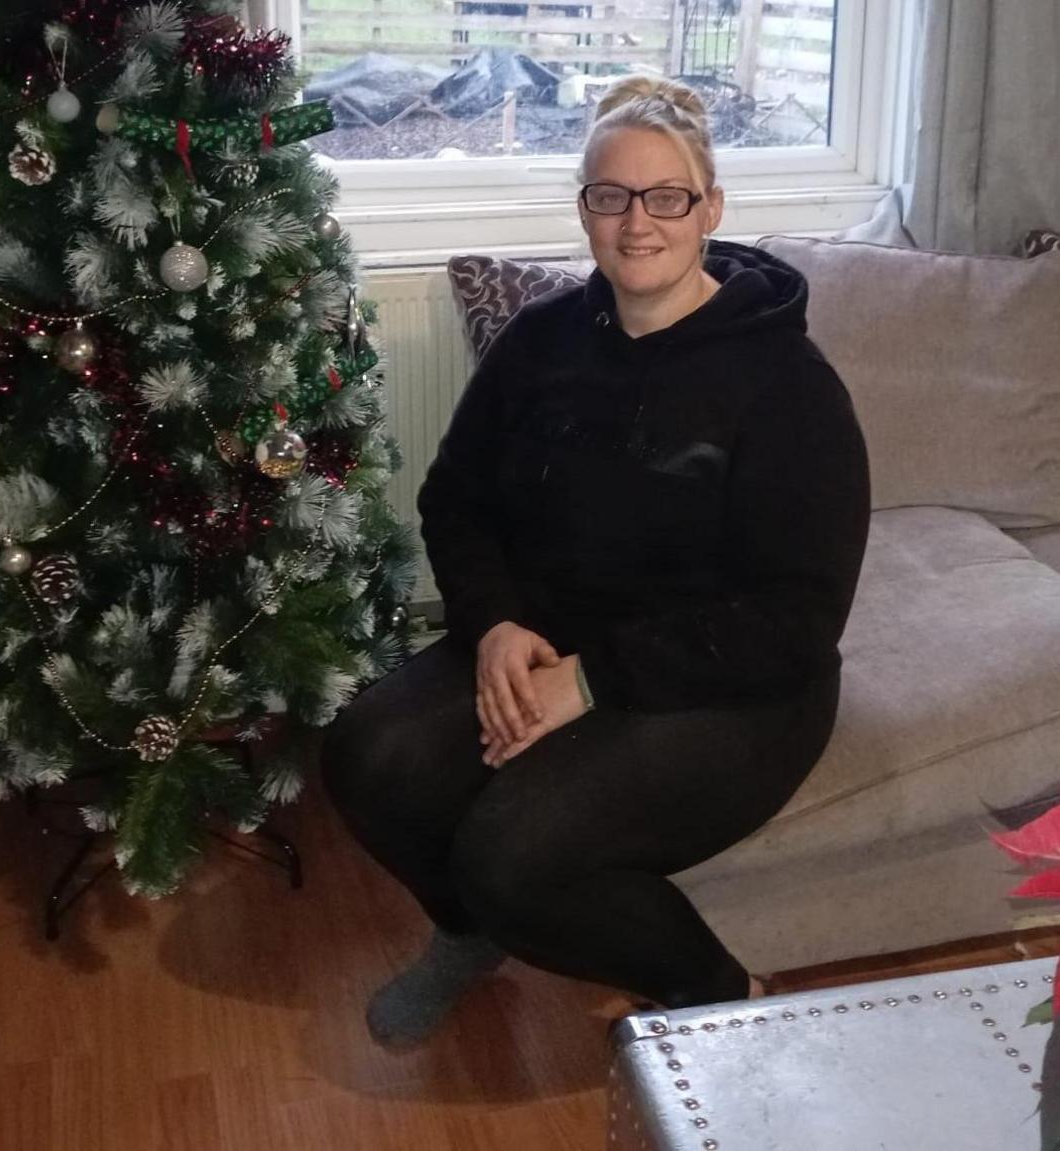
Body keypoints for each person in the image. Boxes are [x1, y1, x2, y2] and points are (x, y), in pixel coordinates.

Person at [320, 76, 871, 1048]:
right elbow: (457, 499)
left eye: (665, 196)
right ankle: (468, 934)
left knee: (513, 853)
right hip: (545, 643)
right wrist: (493, 622)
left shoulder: (786, 384)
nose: (636, 221)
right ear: (584, 207)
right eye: (609, 195)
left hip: (732, 690)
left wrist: (591, 679)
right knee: (369, 754)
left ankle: (715, 991)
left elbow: (793, 617)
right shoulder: (540, 342)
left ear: (709, 207)